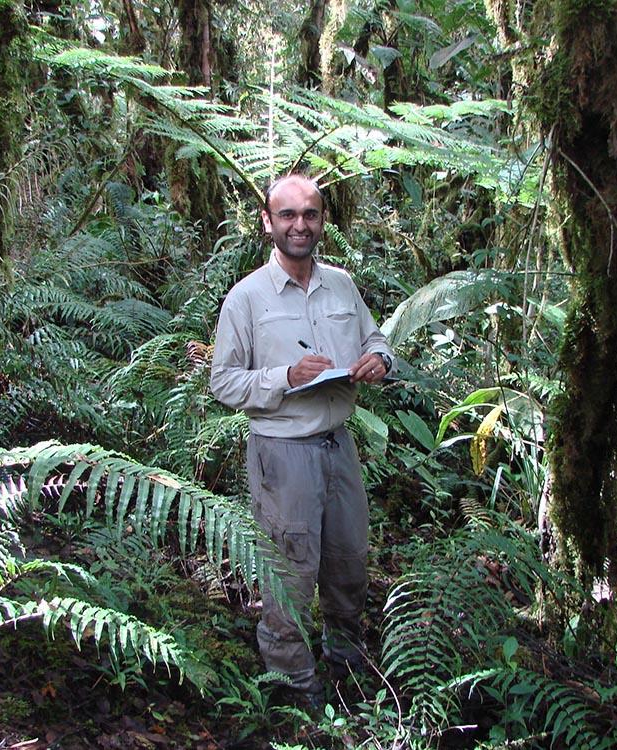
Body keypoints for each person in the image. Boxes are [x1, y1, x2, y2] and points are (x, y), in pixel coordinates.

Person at [209, 174, 394, 703]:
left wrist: (379, 358)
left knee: (348, 560)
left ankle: (345, 660)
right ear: (267, 222)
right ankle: (293, 684)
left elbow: (375, 337)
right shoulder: (246, 299)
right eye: (287, 215)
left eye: (309, 214)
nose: (299, 225)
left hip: (340, 444)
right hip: (282, 452)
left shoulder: (342, 285)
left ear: (322, 221)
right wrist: (285, 377)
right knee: (290, 570)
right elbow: (223, 381)